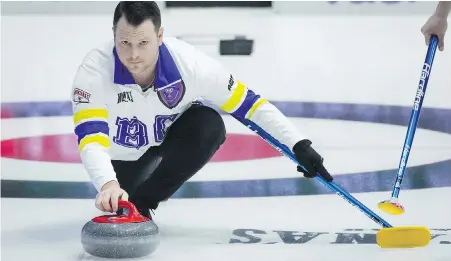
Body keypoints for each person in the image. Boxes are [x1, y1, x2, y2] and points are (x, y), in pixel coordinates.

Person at [70, 1, 333, 219]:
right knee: (119, 193)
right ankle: (127, 190)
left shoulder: (192, 66)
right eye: (124, 43)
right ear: (113, 34)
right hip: (121, 159)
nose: (134, 55)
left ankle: (144, 202)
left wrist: (297, 143)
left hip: (166, 142)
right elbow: (91, 137)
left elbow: (249, 105)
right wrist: (108, 183)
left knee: (209, 124)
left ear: (160, 37)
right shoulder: (94, 70)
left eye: (144, 43)